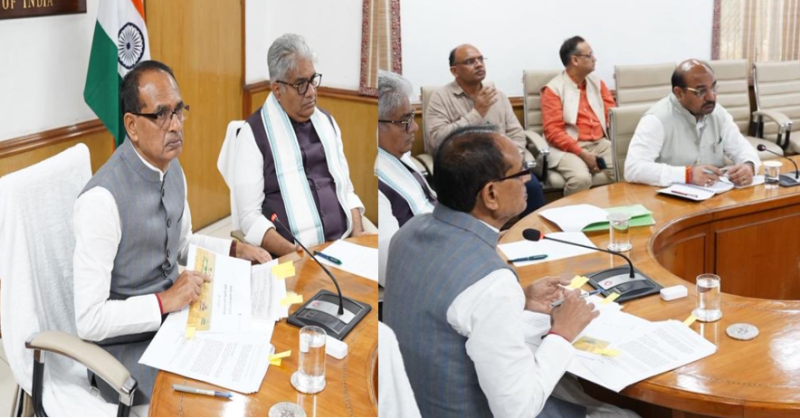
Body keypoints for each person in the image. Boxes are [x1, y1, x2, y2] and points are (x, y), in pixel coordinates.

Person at [384, 125, 619, 418]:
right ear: (491, 194)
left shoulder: (407, 233)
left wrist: (521, 299)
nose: (528, 180)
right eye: (521, 172)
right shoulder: (492, 284)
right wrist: (562, 333)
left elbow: (444, 306)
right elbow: (517, 411)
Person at [73, 60, 271, 405]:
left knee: (256, 352)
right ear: (132, 125)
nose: (176, 125)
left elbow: (181, 244)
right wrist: (165, 301)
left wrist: (235, 250)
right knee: (215, 394)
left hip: (175, 323)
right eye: (161, 115)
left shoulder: (172, 168)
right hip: (126, 352)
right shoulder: (101, 200)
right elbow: (89, 320)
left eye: (179, 111)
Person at [232, 33, 368, 257]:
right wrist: (296, 254)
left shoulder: (327, 123)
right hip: (293, 256)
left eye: (313, 80)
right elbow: (250, 218)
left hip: (344, 243)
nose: (312, 92)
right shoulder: (252, 135)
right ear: (277, 90)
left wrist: (358, 234)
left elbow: (347, 190)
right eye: (301, 85)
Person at [425, 44, 544, 217]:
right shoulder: (440, 98)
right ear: (454, 71)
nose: (479, 64)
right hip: (464, 170)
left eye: (480, 59)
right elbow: (437, 140)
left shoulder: (498, 96)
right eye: (470, 61)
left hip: (501, 166)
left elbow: (516, 134)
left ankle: (529, 231)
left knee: (531, 187)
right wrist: (477, 113)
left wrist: (514, 161)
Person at [625, 59, 760, 187]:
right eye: (701, 91)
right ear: (679, 93)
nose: (711, 97)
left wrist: (749, 166)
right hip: (667, 197)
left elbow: (743, 149)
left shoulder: (718, 114)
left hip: (714, 194)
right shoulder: (656, 119)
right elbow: (633, 168)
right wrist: (687, 174)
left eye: (713, 88)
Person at [377, 70, 436, 286]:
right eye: (405, 120)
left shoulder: (399, 155)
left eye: (412, 116)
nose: (414, 127)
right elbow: (390, 266)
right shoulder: (375, 181)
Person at [541, 36, 617, 195]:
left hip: (600, 143)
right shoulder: (553, 89)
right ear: (575, 60)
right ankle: (569, 211)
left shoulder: (598, 84)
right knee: (581, 179)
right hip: (567, 148)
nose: (594, 59)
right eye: (589, 55)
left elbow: (613, 117)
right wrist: (582, 153)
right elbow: (553, 132)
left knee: (625, 167)